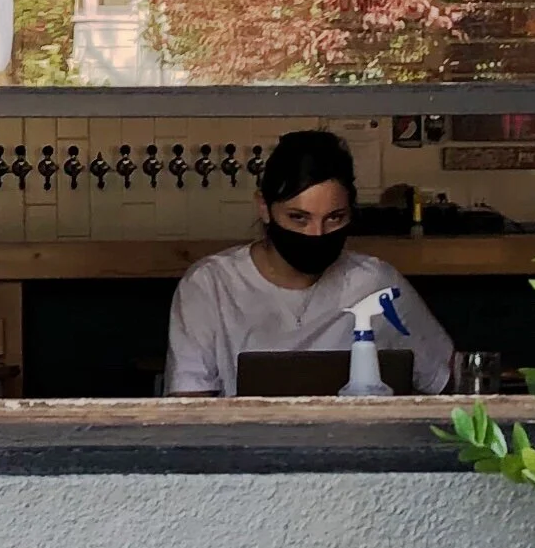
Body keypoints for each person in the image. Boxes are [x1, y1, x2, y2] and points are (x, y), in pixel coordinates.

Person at [166, 128, 453, 395]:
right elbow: (189, 405)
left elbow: (446, 379)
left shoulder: (376, 284)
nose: (316, 234)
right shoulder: (211, 286)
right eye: (298, 218)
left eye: (334, 218)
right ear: (264, 208)